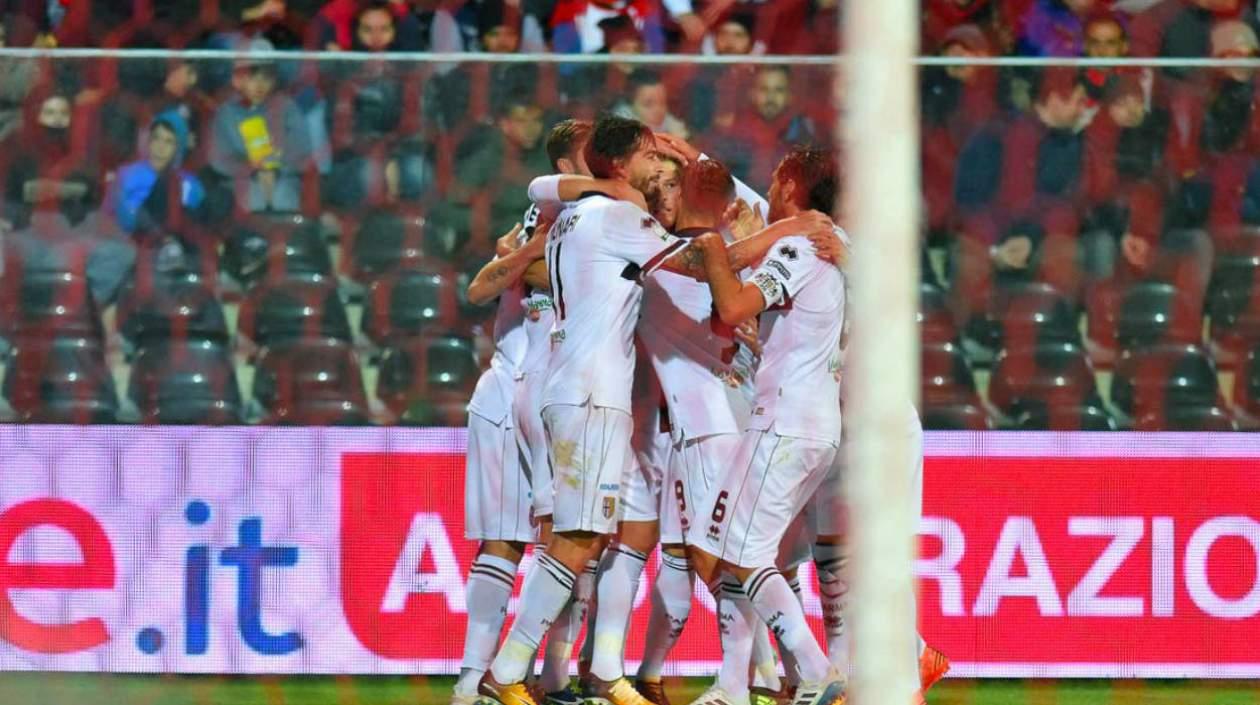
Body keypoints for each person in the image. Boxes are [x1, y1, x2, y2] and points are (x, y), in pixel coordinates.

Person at [478, 115, 832, 705]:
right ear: (623, 166)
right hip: (622, 403)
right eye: (652, 164)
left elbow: (545, 190)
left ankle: (743, 679)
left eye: (674, 182)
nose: (664, 184)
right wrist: (786, 229)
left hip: (643, 407)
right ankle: (512, 674)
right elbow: (706, 263)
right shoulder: (630, 225)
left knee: (618, 542)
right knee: (611, 543)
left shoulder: (593, 216)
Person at [686, 147, 848, 705]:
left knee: (749, 553)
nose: (772, 185)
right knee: (727, 544)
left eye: (778, 176)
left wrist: (711, 247)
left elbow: (730, 310)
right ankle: (731, 685)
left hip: (786, 423)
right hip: (804, 423)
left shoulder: (801, 246)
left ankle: (815, 670)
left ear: (791, 184)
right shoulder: (828, 245)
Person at [208, 37, 312, 213]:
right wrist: (252, 170)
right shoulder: (226, 112)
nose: (259, 84)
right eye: (252, 76)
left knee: (284, 197)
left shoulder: (286, 107)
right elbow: (218, 159)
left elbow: (302, 151)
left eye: (266, 77)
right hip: (241, 183)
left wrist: (274, 169)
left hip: (284, 180)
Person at [109, 111, 205, 235]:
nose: (160, 147)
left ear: (178, 149)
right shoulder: (127, 175)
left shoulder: (188, 183)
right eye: (156, 138)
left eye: (169, 142)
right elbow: (125, 222)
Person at [613, 69, 690, 138]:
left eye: (662, 102)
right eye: (648, 104)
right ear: (629, 106)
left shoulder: (666, 121)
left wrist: (680, 139)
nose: (658, 110)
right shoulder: (621, 126)